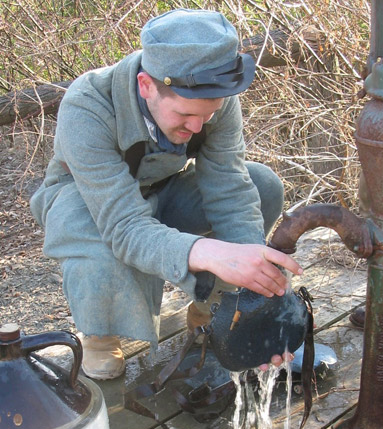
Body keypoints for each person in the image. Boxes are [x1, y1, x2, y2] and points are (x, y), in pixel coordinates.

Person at [30, 8, 303, 380]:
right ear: (146, 85)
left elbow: (231, 190)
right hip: (91, 203)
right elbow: (125, 227)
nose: (196, 126)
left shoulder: (213, 97)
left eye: (206, 115)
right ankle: (100, 331)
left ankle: (219, 307)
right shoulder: (86, 106)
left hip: (162, 190)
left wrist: (252, 296)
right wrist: (208, 252)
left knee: (262, 186)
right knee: (94, 243)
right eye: (184, 114)